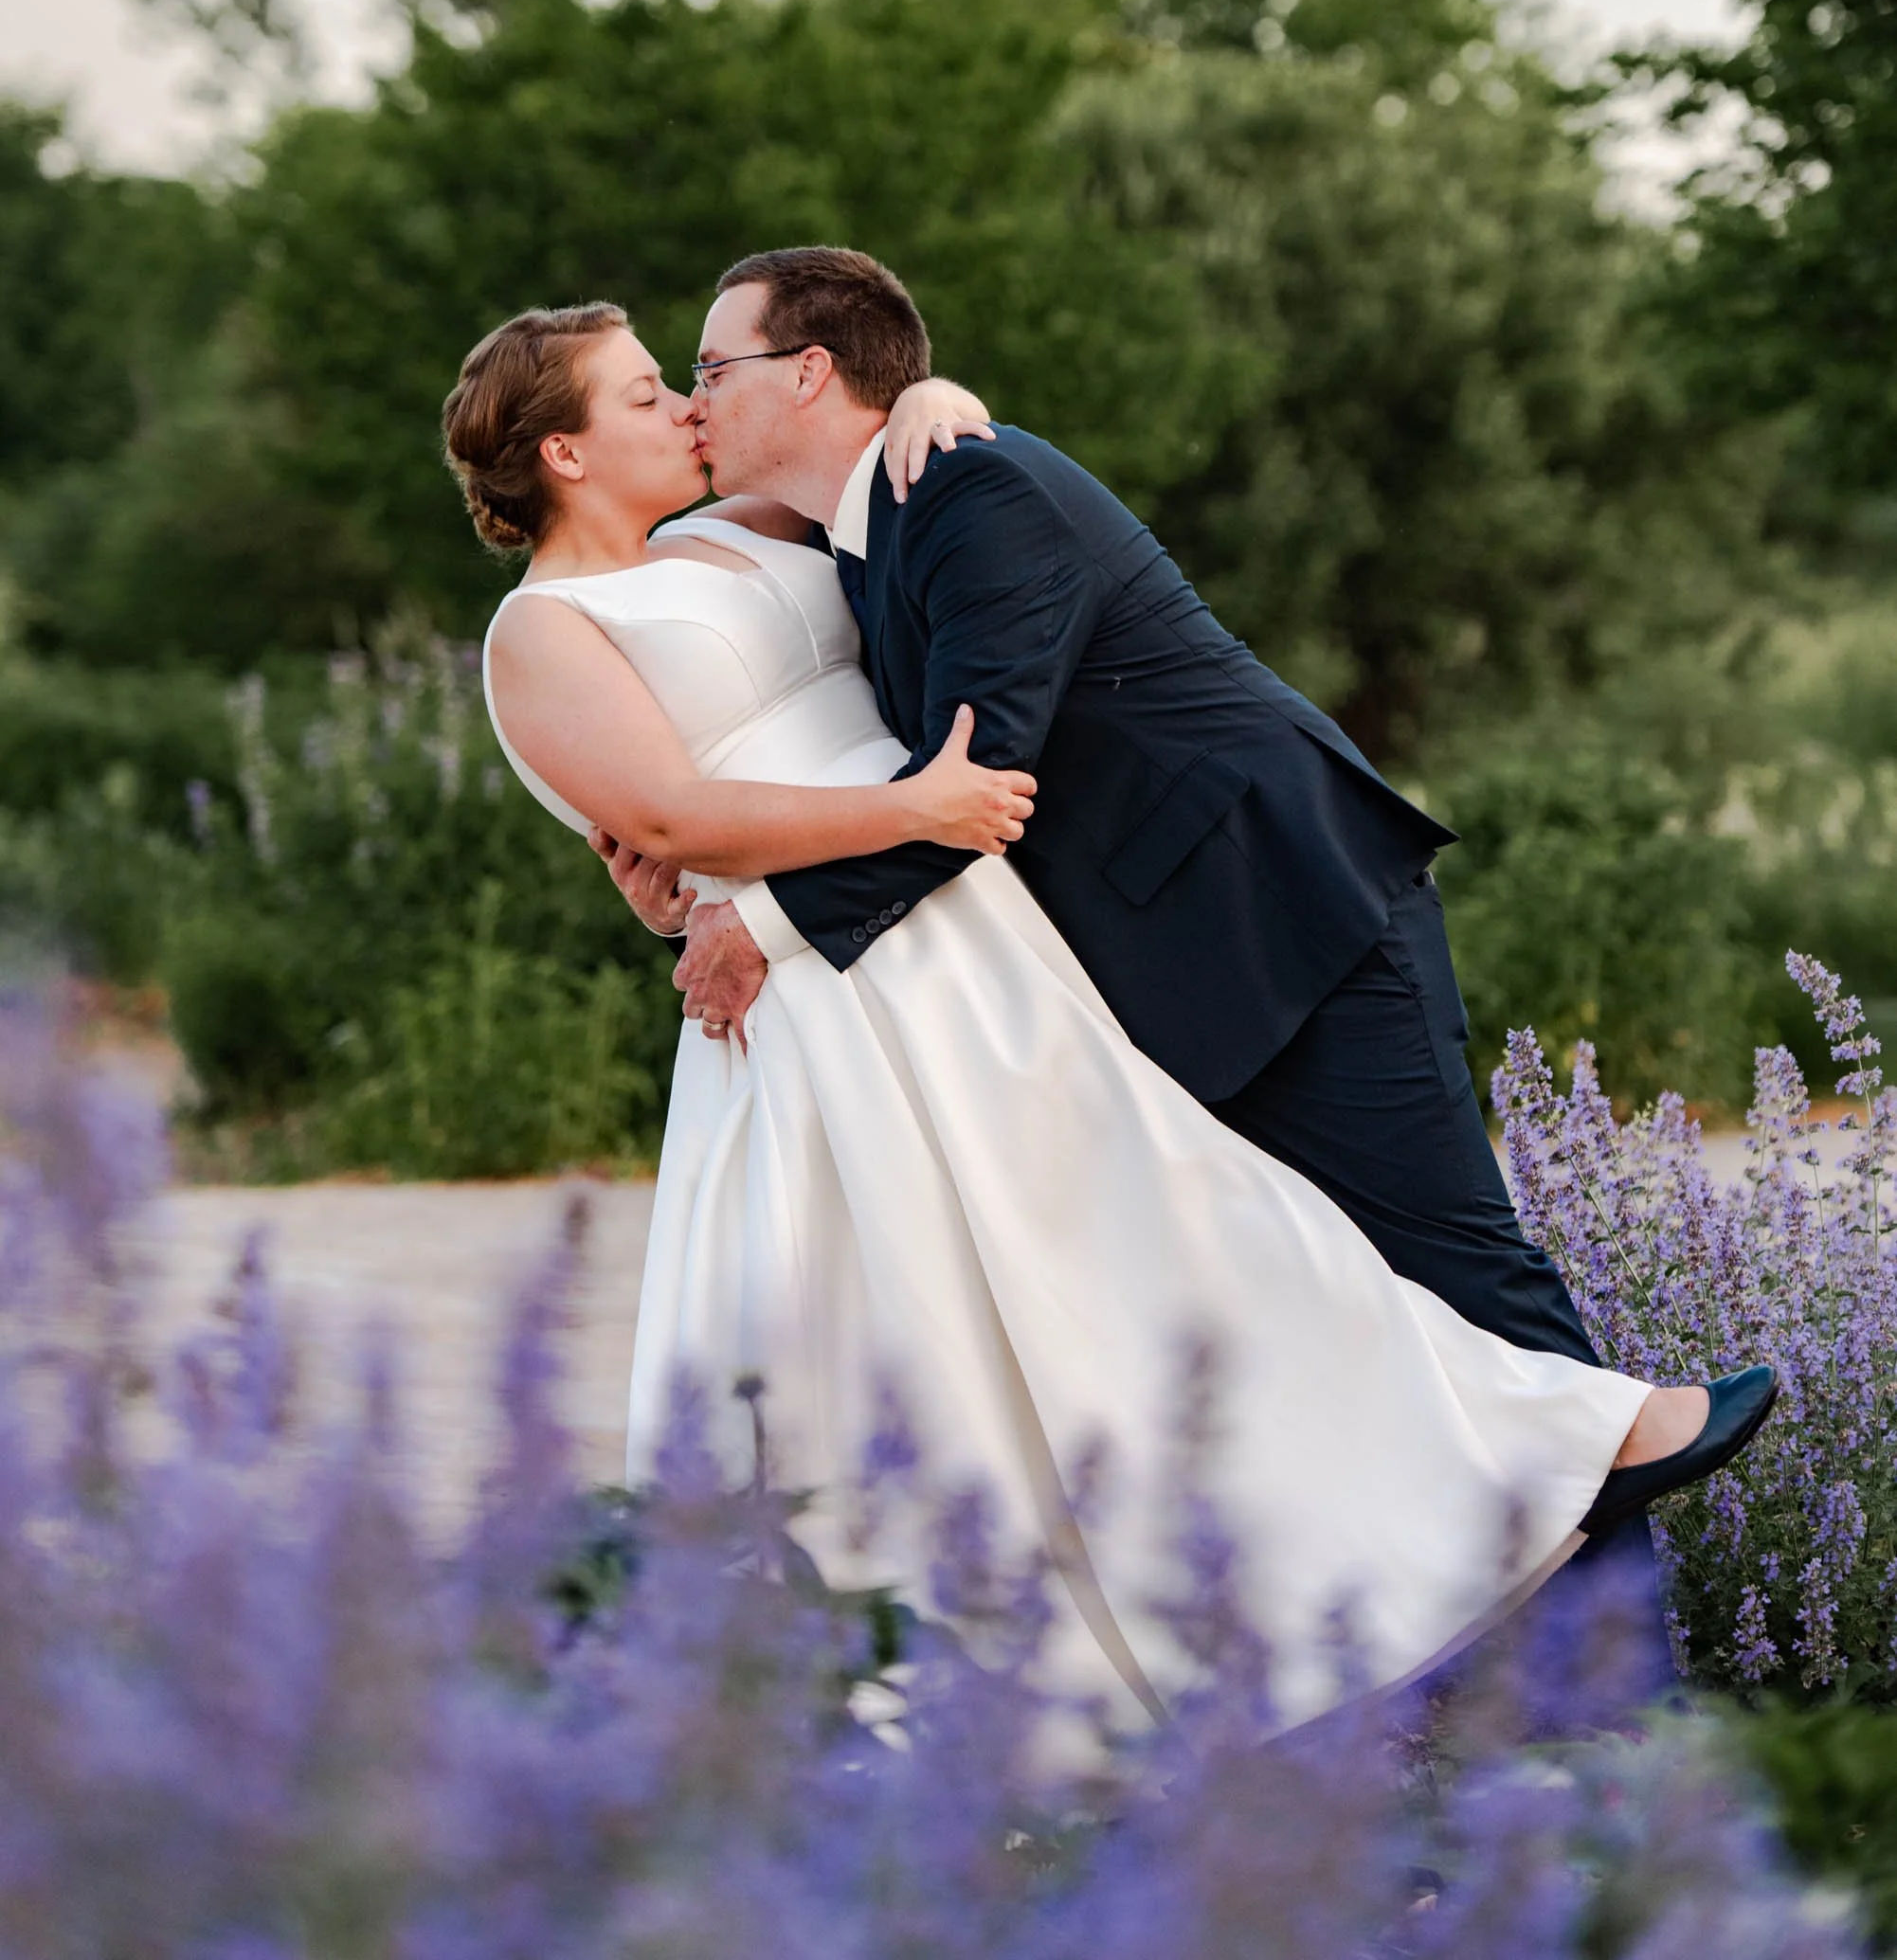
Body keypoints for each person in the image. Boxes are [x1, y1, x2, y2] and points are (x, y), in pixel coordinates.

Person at [448, 295, 1773, 1730]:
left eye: (695, 378)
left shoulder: (748, 531)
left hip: (976, 941)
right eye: (650, 395)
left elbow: (899, 541)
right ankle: (965, 1687)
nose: (686, 409)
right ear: (565, 452)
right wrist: (755, 872)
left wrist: (925, 398)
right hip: (844, 989)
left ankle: (1549, 1560)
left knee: (1176, 1239)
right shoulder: (543, 633)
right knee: (942, 1316)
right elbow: (664, 810)